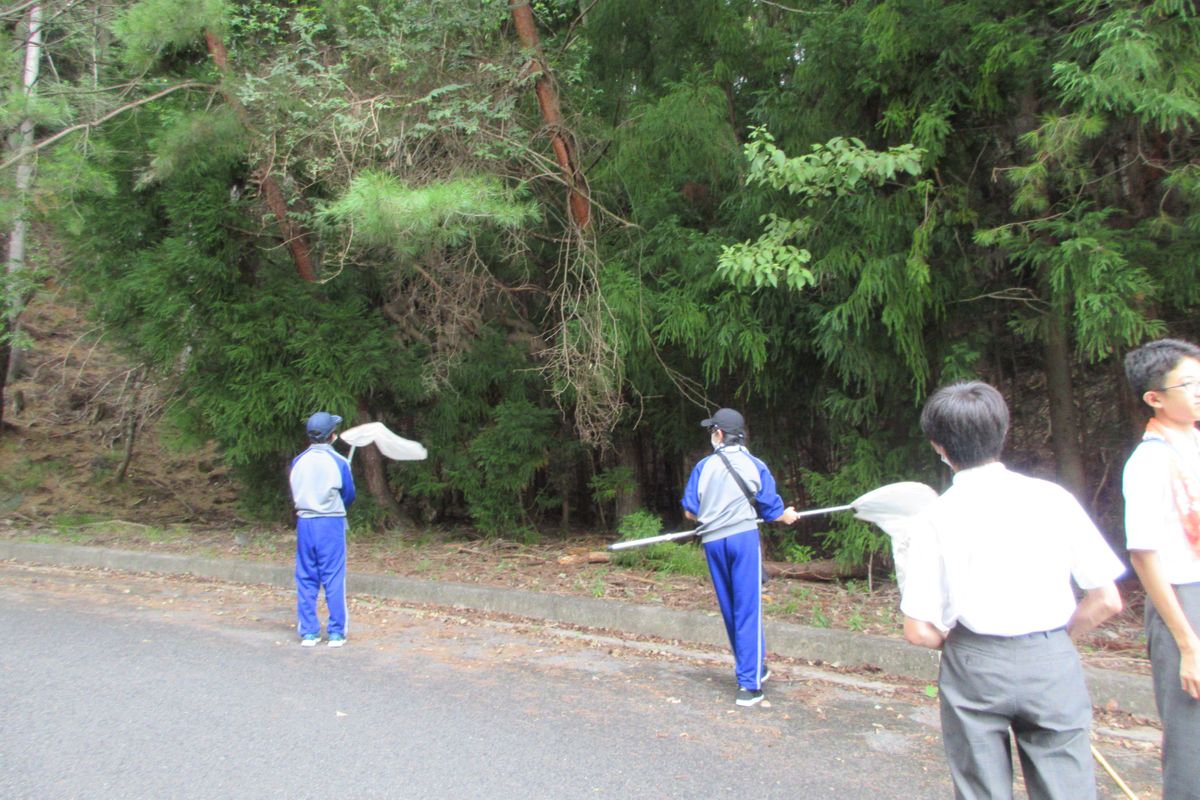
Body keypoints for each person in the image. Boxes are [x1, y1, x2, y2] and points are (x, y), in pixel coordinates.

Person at [901, 381, 1124, 800]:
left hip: (974, 660)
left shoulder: (936, 516)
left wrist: (956, 645)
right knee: (1067, 787)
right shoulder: (1053, 499)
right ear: (1003, 431)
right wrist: (1060, 640)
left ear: (938, 447)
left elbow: (918, 631)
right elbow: (1107, 599)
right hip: (1050, 656)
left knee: (980, 788)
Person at [1122, 338, 1200, 799]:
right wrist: (1187, 643)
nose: (1199, 392)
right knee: (1192, 740)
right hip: (1183, 601)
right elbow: (1145, 556)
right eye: (1189, 384)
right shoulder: (1149, 461)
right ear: (1155, 397)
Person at [681, 408, 800, 707]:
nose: (711, 435)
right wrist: (786, 516)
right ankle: (749, 686)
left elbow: (689, 511)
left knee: (731, 608)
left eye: (712, 431)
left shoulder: (703, 467)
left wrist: (714, 511)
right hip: (743, 539)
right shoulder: (755, 464)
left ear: (719, 434)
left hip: (712, 542)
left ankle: (755, 668)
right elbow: (772, 510)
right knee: (747, 608)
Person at [289, 411, 356, 647]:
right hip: (331, 523)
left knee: (306, 576)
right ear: (332, 436)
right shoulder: (340, 462)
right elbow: (349, 495)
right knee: (333, 576)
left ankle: (309, 632)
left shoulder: (298, 460)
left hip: (305, 523)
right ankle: (336, 632)